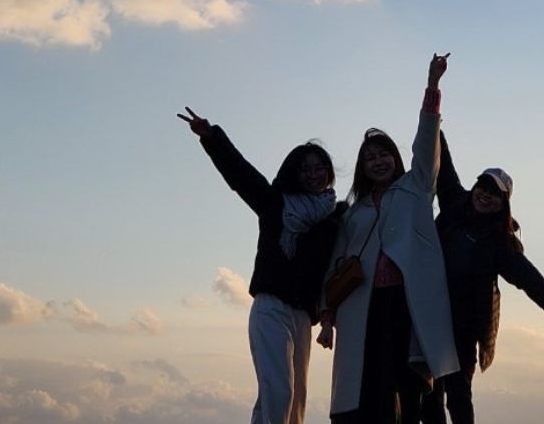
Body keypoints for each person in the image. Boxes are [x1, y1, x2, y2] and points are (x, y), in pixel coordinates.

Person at [177, 107, 344, 424]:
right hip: (270, 308)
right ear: (294, 172)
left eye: (320, 168)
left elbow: (332, 272)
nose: (314, 174)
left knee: (294, 401)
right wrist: (212, 137)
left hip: (303, 315)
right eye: (306, 169)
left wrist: (326, 318)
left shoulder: (334, 218)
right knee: (279, 391)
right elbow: (240, 174)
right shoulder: (274, 203)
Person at [318, 54, 460, 423]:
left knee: (410, 386)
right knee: (367, 388)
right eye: (370, 159)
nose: (378, 162)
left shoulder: (416, 187)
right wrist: (328, 316)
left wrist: (432, 86)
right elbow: (337, 264)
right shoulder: (354, 212)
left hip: (407, 302)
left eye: (383, 155)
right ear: (363, 168)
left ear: (395, 158)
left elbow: (426, 143)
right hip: (363, 306)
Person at [420, 130, 544, 424]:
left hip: (464, 326)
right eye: (483, 188)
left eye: (495, 194)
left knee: (459, 395)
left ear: (503, 203)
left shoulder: (500, 243)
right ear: (475, 187)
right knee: (429, 391)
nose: (486, 196)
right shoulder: (454, 203)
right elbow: (444, 164)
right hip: (431, 315)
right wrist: (434, 125)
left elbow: (529, 279)